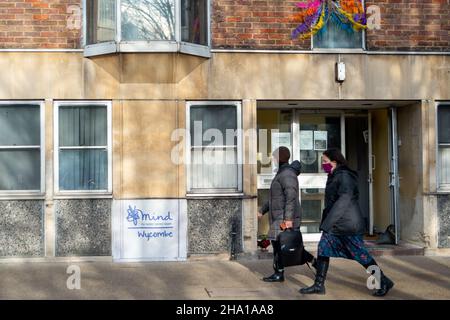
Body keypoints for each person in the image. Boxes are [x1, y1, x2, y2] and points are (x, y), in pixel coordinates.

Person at [299, 148, 394, 296]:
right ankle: (319, 285)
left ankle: (383, 281)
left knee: (361, 255)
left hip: (348, 225)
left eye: (325, 162)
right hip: (336, 224)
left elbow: (343, 201)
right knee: (323, 249)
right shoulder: (334, 175)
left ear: (334, 162)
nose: (323, 164)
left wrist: (327, 223)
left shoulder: (344, 176)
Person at [258, 146, 316, 282]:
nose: (272, 160)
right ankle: (280, 272)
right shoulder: (282, 173)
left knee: (285, 245)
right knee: (280, 245)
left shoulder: (287, 174)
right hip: (280, 215)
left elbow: (291, 196)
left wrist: (288, 219)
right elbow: (274, 198)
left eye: (274, 157)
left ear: (279, 158)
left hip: (284, 217)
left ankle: (312, 263)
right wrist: (262, 210)